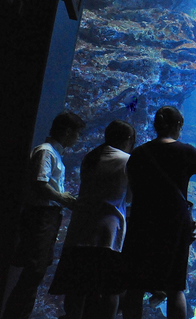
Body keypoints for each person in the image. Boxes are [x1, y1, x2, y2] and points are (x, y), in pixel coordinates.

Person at [120, 106, 196, 319]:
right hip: (174, 223)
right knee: (175, 286)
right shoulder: (187, 151)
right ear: (178, 126)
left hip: (143, 220)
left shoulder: (140, 152)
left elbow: (131, 188)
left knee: (135, 284)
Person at [48, 120, 136, 319]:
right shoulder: (127, 160)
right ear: (129, 139)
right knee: (110, 289)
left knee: (77, 288)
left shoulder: (90, 157)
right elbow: (130, 197)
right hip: (108, 234)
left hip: (80, 230)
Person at [2, 111, 85, 319]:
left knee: (36, 270)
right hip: (40, 216)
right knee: (34, 270)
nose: (77, 139)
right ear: (67, 131)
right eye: (77, 134)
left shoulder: (53, 153)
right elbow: (40, 182)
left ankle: (19, 314)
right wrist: (61, 198)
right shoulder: (46, 152)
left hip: (47, 216)